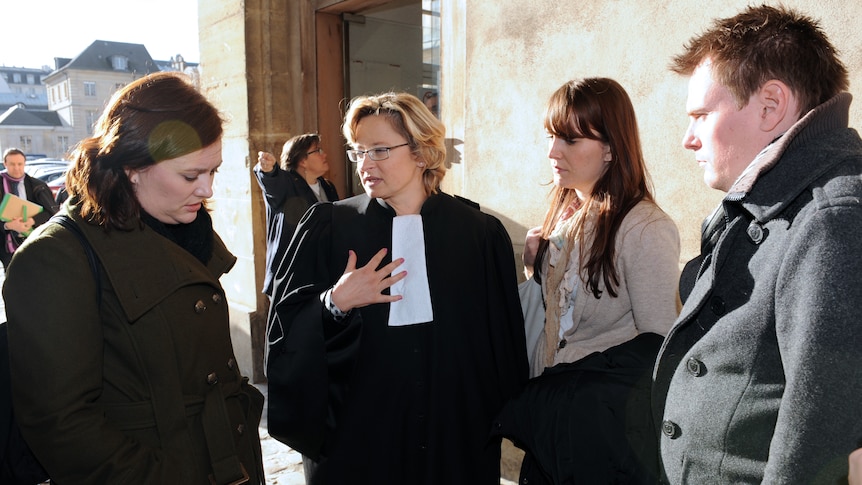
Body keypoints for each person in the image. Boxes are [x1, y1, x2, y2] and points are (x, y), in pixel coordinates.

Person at [3, 72, 265, 484]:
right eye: (190, 175)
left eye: (213, 171)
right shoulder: (56, 257)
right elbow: (63, 426)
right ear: (132, 167)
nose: (207, 189)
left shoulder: (183, 227)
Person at [265, 92, 528, 484]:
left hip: (453, 442)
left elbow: (503, 348)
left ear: (421, 153)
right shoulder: (328, 227)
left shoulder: (479, 234)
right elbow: (283, 332)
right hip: (359, 442)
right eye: (358, 152)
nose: (365, 164)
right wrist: (335, 302)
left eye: (380, 150)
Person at [652, 5, 862, 483]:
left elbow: (816, 441)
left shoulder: (832, 219)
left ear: (771, 106)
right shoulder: (774, 201)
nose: (688, 138)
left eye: (701, 115)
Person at [492, 78, 680, 483]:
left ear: (611, 148)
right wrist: (535, 270)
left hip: (601, 438)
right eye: (550, 137)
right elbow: (560, 317)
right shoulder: (565, 213)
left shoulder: (644, 227)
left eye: (570, 140)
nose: (552, 152)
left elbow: (659, 346)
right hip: (553, 424)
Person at [254, 134, 339, 297]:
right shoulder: (287, 184)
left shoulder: (328, 186)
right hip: (291, 278)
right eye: (317, 151)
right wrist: (268, 169)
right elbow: (272, 182)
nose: (324, 154)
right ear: (302, 160)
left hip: (322, 274)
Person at [0, 148, 58, 271]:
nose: (16, 168)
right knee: (13, 279)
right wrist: (8, 225)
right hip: (6, 246)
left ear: (25, 164)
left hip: (34, 241)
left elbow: (51, 213)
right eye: (12, 164)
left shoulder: (37, 185)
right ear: (5, 164)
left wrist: (32, 220)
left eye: (20, 164)